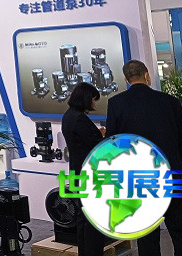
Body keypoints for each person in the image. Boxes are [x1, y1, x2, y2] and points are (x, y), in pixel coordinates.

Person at [106, 59, 182, 256]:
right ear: (147, 75)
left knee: (147, 239)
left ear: (126, 79)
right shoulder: (170, 102)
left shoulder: (116, 104)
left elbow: (113, 147)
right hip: (173, 178)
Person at [61, 82, 107, 256]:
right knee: (94, 219)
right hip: (88, 174)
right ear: (86, 99)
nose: (94, 103)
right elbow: (95, 146)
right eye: (93, 99)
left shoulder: (68, 116)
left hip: (76, 171)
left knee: (82, 217)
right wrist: (102, 136)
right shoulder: (80, 118)